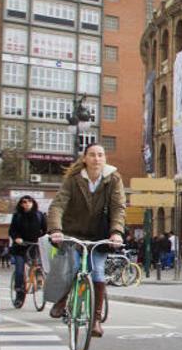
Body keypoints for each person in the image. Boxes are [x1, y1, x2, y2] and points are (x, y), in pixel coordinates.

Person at [46, 143, 127, 338]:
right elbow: (58, 205)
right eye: (92, 155)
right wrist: (56, 230)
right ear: (85, 158)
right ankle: (63, 300)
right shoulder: (74, 180)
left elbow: (118, 207)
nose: (96, 158)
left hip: (99, 236)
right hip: (74, 233)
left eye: (100, 155)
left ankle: (96, 320)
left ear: (104, 158)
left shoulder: (113, 179)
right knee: (73, 268)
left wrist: (116, 232)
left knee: (98, 273)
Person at [8, 195, 47, 308]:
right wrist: (17, 238)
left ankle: (39, 281)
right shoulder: (17, 216)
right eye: (24, 202)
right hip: (20, 247)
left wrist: (43, 239)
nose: (27, 203)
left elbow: (45, 230)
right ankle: (19, 294)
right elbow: (12, 230)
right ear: (21, 204)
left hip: (35, 246)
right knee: (20, 270)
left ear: (33, 203)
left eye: (29, 201)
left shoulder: (39, 215)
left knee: (39, 265)